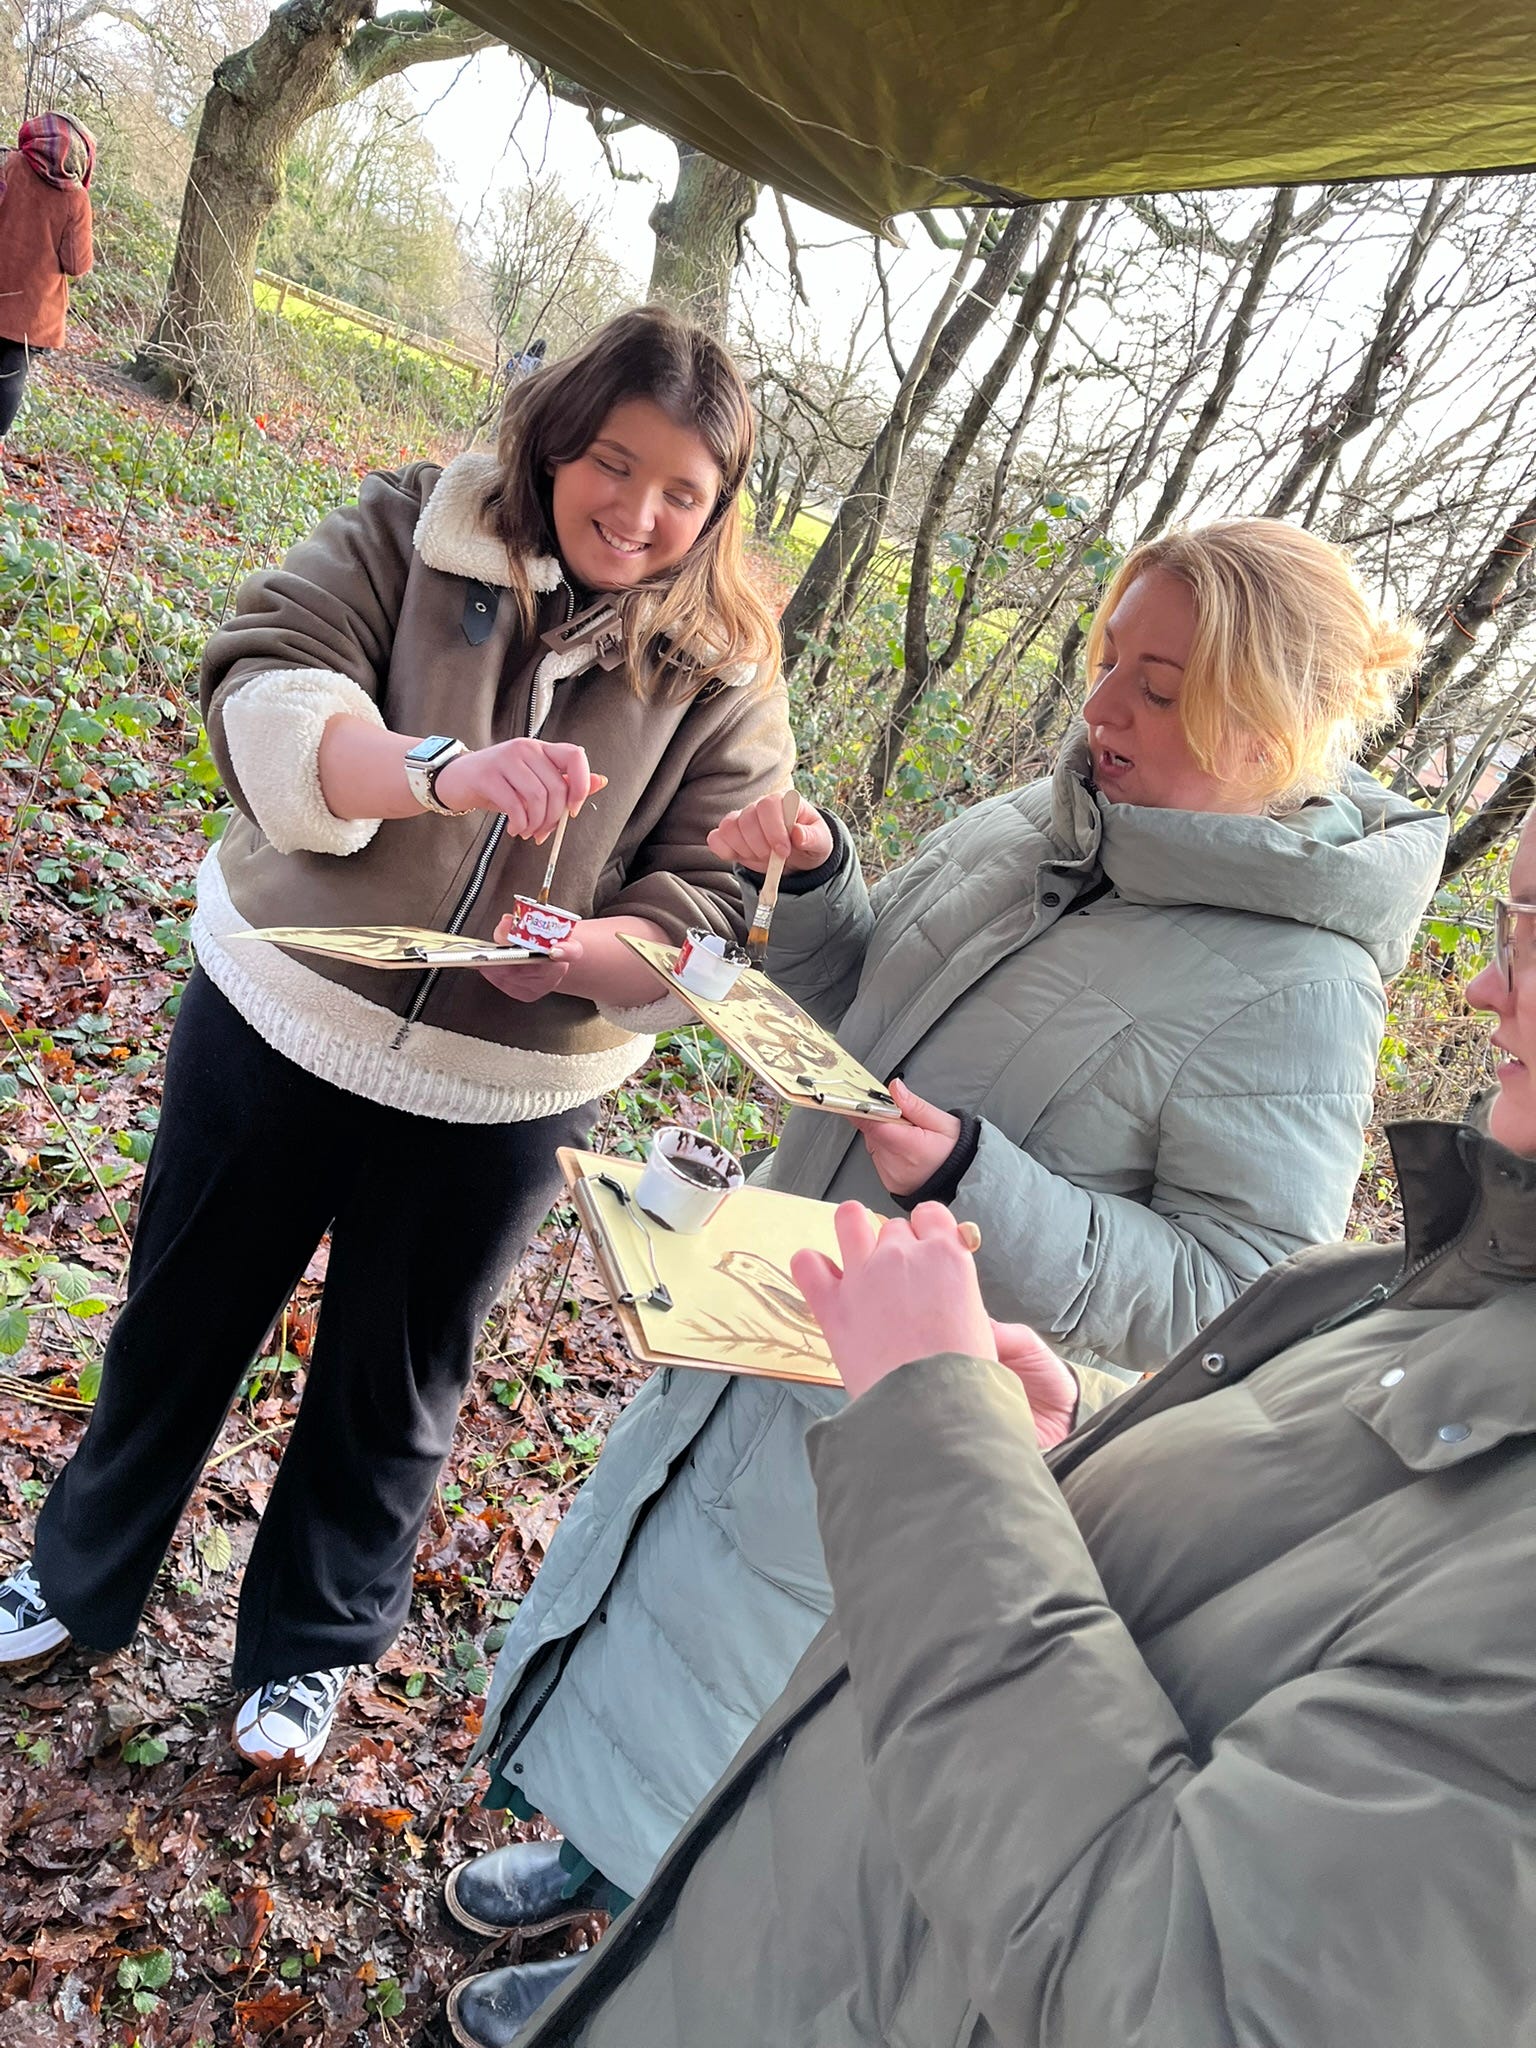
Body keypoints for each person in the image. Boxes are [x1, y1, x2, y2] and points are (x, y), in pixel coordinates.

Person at [446, 518, 1449, 2034]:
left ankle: (619, 1977)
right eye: (1108, 660)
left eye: (1160, 688)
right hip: (767, 1309)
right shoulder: (1031, 825)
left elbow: (1233, 1290)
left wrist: (983, 1180)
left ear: (1269, 724)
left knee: (744, 1720)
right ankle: (586, 1851)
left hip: (905, 1417)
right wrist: (820, 883)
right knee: (659, 1625)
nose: (1101, 708)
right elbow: (859, 1000)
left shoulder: (1303, 990)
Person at [0, 306, 794, 1773]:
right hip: (284, 1012)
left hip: (508, 1091)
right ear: (555, 442)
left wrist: (597, 956)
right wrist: (439, 771)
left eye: (683, 492)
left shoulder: (726, 668)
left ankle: (305, 1648)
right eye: (613, 465)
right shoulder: (419, 529)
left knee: (398, 1380)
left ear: (721, 508)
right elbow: (271, 680)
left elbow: (708, 895)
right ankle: (76, 1576)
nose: (639, 513)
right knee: (181, 1317)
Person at [0, 113, 94, 448]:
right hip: (33, 313)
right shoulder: (76, 198)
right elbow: (76, 264)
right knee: (10, 377)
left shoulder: (7, 164)